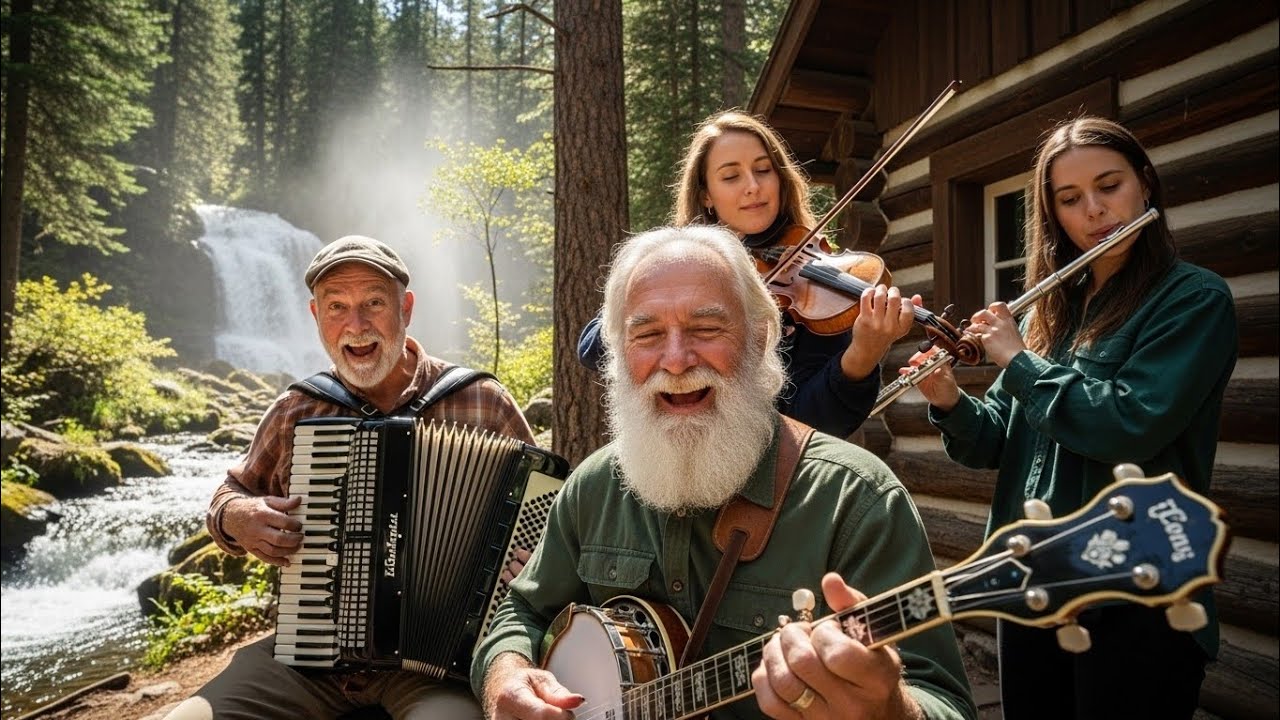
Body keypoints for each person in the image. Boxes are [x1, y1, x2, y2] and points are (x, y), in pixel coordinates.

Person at [475, 225, 976, 720]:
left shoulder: (857, 499)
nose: (676, 360)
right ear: (620, 354)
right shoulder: (595, 485)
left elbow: (945, 702)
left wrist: (890, 709)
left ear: (759, 338)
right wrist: (505, 675)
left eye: (706, 329)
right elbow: (523, 611)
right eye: (647, 334)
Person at [907, 116, 1237, 720]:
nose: (1094, 210)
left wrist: (1017, 360)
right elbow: (995, 444)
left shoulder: (1194, 299)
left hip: (1135, 586)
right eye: (1070, 198)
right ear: (1053, 214)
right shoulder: (1049, 314)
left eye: (1109, 186)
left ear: (1145, 183)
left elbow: (1129, 424)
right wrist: (947, 398)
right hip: (1032, 580)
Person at [165, 235, 536, 720]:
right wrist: (238, 516)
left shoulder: (482, 400)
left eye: (373, 303)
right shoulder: (298, 409)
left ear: (405, 308)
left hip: (439, 665)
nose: (356, 326)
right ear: (316, 316)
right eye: (336, 306)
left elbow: (547, 521)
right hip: (308, 656)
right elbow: (230, 492)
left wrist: (530, 565)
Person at [579, 111, 919, 438]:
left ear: (781, 180)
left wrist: (863, 353)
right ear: (706, 195)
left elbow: (814, 423)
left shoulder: (811, 289)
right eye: (731, 176)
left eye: (763, 170)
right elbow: (591, 345)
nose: (753, 186)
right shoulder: (675, 264)